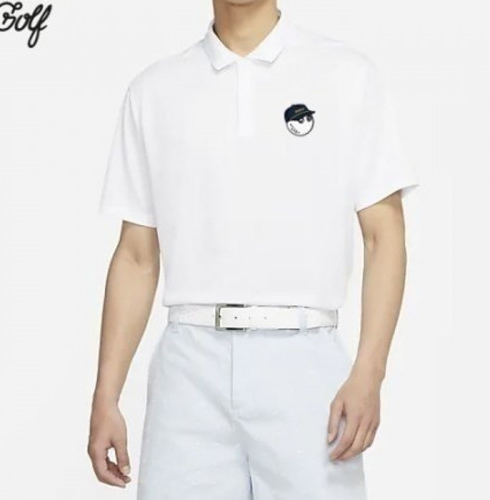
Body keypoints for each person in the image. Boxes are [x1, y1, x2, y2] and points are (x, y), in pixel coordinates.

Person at [88, 1, 420, 499]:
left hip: (306, 361)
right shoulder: (155, 91)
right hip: (188, 365)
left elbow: (384, 235)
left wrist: (370, 372)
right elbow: (136, 256)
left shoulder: (347, 75)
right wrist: (106, 395)